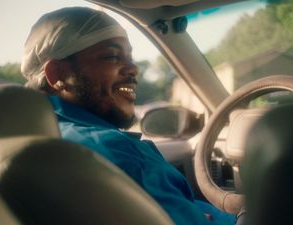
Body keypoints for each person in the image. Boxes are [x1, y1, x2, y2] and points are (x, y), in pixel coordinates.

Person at [21, 7, 237, 225]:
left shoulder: (35, 139)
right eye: (112, 56)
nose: (134, 68)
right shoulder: (112, 151)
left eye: (130, 57)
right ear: (58, 74)